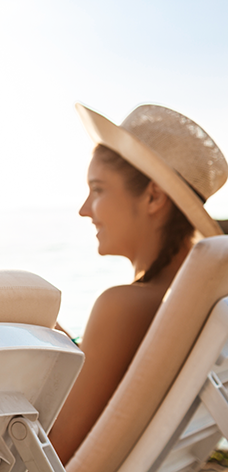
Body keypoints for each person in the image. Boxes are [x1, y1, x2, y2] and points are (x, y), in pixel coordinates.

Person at [49, 103, 228, 463]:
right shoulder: (199, 304)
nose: (85, 209)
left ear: (153, 196)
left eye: (97, 190)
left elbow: (49, 456)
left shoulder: (124, 307)